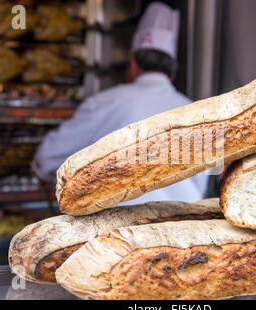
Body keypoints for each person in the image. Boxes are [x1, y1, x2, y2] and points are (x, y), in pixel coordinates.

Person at [32, 2, 208, 205]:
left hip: (118, 232)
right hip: (183, 229)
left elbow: (47, 158)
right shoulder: (198, 115)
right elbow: (210, 176)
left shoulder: (105, 103)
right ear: (172, 74)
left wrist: (41, 170)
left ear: (132, 63)